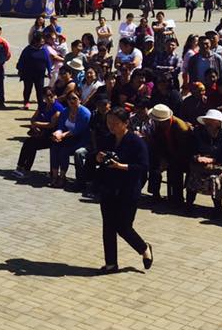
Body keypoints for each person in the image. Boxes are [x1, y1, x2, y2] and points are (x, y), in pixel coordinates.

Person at [94, 107, 153, 273]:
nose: (111, 126)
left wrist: (121, 166)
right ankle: (111, 263)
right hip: (108, 187)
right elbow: (97, 155)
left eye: (115, 123)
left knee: (123, 226)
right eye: (109, 122)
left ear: (126, 123)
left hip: (128, 189)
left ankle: (144, 248)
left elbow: (143, 167)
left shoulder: (136, 142)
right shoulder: (107, 138)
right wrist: (97, 157)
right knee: (108, 227)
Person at [12, 87, 63, 178]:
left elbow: (52, 124)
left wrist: (36, 124)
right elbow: (33, 118)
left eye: (51, 95)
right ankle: (20, 166)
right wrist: (35, 127)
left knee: (32, 145)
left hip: (53, 136)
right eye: (46, 96)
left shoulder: (58, 108)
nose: (49, 98)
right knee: (28, 142)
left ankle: (26, 170)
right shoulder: (42, 105)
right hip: (41, 134)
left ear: (55, 95)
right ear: (43, 97)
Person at [187, 109, 222, 213]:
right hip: (200, 165)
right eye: (207, 122)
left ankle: (217, 207)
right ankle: (189, 204)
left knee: (214, 180)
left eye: (211, 122)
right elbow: (190, 150)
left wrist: (213, 160)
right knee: (194, 175)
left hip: (217, 167)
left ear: (218, 124)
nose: (208, 124)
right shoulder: (198, 133)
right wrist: (197, 157)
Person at [148, 103, 190, 205]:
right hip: (166, 153)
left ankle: (177, 199)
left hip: (181, 156)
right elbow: (157, 143)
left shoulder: (181, 128)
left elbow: (183, 150)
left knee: (175, 171)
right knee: (154, 166)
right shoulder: (159, 126)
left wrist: (169, 162)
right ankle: (155, 194)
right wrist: (162, 158)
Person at [49, 92, 91, 187]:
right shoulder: (65, 111)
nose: (72, 101)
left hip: (81, 140)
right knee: (54, 146)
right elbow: (61, 126)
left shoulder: (85, 113)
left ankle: (62, 177)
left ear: (79, 100)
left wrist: (62, 135)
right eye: (69, 99)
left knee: (64, 150)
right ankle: (55, 175)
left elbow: (77, 130)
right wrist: (57, 133)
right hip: (67, 138)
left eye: (74, 98)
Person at [16, 34, 51, 110]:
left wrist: (49, 71)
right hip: (28, 74)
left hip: (40, 75)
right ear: (35, 41)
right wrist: (20, 70)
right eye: (41, 41)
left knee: (40, 90)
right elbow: (21, 60)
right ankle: (26, 103)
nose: (43, 43)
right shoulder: (27, 49)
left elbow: (48, 61)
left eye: (43, 41)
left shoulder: (44, 50)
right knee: (27, 89)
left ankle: (40, 105)